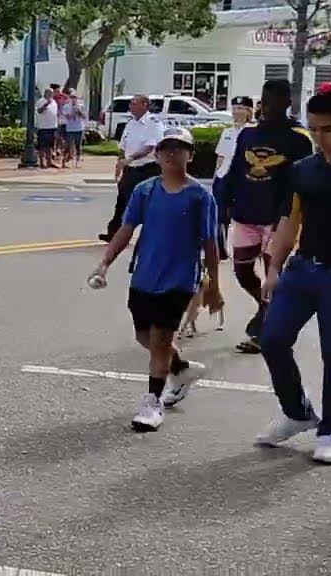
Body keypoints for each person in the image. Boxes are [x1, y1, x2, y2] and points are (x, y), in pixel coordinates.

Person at [91, 127, 220, 432]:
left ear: (190, 155)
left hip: (179, 280)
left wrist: (214, 286)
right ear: (157, 154)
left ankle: (152, 402)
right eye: (166, 149)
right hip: (145, 276)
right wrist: (105, 262)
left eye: (179, 149)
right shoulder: (145, 191)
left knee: (161, 340)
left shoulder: (201, 196)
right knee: (145, 338)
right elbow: (126, 229)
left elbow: (210, 244)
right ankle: (181, 369)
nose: (172, 154)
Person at [254, 83, 331, 464]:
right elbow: (290, 220)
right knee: (272, 339)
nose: (320, 137)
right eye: (315, 129)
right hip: (302, 269)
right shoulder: (303, 170)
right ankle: (297, 412)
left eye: (329, 129)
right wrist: (273, 267)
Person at [222, 79, 314, 354]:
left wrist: (287, 215)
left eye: (275, 101)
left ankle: (265, 330)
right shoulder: (248, 135)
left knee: (272, 273)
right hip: (245, 213)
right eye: (265, 100)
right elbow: (236, 170)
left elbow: (300, 182)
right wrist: (224, 202)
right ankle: (264, 307)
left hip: (277, 219)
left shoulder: (299, 138)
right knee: (241, 269)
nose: (268, 106)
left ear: (287, 103)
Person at [100, 95, 164, 242]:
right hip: (130, 169)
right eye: (131, 104)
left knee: (147, 205)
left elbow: (150, 147)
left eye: (134, 104)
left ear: (145, 105)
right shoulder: (130, 124)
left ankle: (151, 235)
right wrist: (120, 163)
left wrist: (130, 159)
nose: (131, 106)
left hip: (147, 169)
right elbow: (123, 146)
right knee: (122, 201)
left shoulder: (153, 124)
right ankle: (114, 233)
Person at [213, 95, 256, 260]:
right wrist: (216, 176)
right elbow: (220, 157)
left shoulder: (253, 132)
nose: (236, 112)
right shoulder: (228, 132)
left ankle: (246, 248)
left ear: (249, 111)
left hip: (243, 178)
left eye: (241, 108)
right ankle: (220, 249)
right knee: (219, 214)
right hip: (224, 176)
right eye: (235, 108)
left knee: (240, 215)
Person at [35, 87, 60, 168]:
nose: (51, 95)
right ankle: (42, 162)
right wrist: (46, 104)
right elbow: (39, 111)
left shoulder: (54, 102)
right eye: (49, 93)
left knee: (50, 146)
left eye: (52, 93)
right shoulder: (41, 101)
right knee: (42, 146)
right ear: (45, 93)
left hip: (52, 126)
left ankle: (49, 162)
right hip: (43, 127)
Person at [61, 91, 86, 168]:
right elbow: (67, 117)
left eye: (75, 97)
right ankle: (64, 161)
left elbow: (84, 117)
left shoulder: (81, 106)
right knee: (68, 145)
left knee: (78, 145)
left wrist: (79, 112)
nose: (73, 99)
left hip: (79, 128)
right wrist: (73, 113)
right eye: (72, 97)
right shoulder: (66, 107)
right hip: (70, 129)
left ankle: (77, 162)